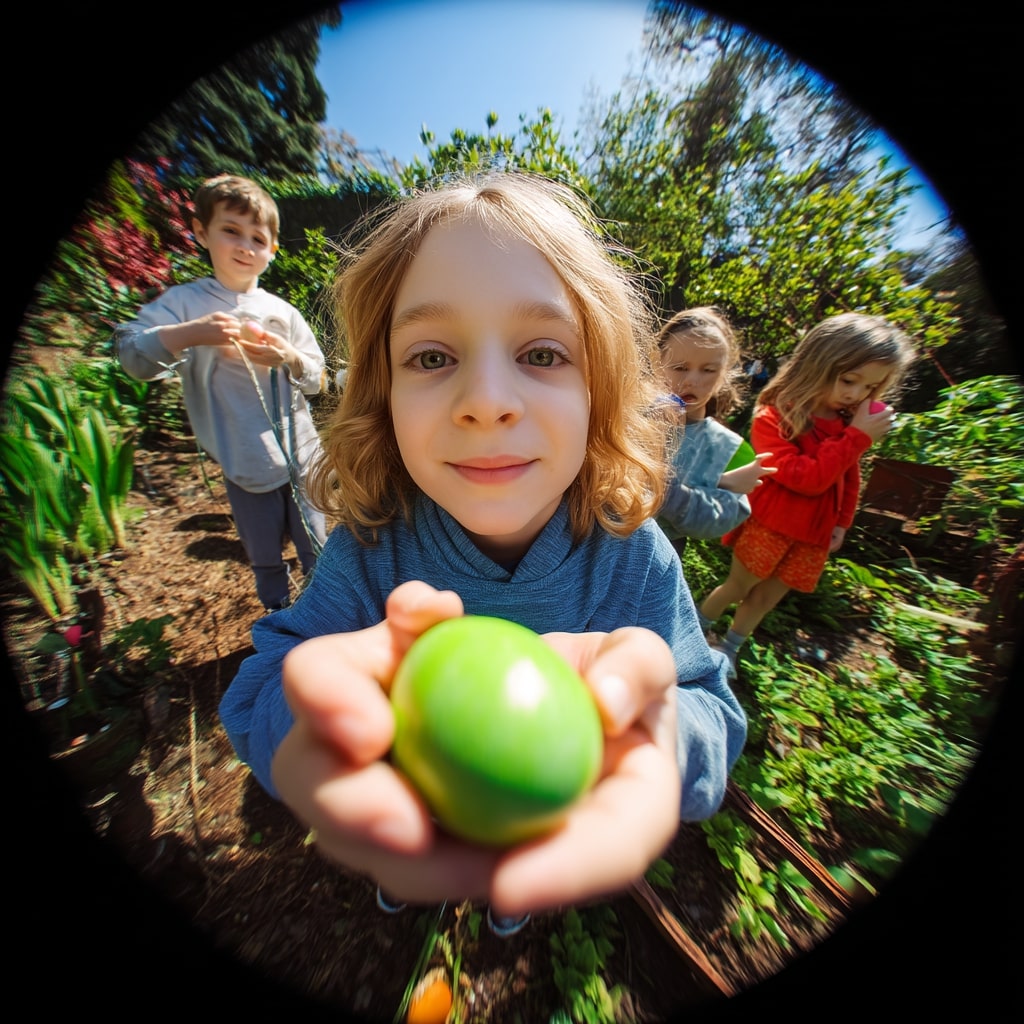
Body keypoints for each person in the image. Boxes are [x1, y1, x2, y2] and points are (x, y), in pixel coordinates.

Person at [218, 172, 747, 938]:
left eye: (541, 351)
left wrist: (660, 734)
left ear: (601, 389)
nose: (486, 399)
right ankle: (404, 876)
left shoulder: (630, 556)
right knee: (404, 855)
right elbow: (254, 695)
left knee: (517, 877)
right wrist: (312, 721)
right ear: (382, 395)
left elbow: (710, 709)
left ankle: (511, 895)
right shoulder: (375, 546)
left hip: (539, 820)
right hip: (410, 808)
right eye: (432, 358)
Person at [114, 174, 327, 612]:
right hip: (242, 461)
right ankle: (276, 615)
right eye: (231, 231)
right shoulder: (187, 305)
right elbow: (132, 355)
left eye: (258, 238)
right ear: (201, 233)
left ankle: (323, 611)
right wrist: (189, 334)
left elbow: (318, 379)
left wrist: (287, 356)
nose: (245, 246)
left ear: (272, 250)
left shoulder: (281, 312)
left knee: (317, 545)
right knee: (264, 555)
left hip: (302, 456)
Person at [696, 312, 915, 677]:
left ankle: (730, 648)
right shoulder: (776, 416)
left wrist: (842, 522)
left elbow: (849, 476)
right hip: (771, 526)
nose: (856, 394)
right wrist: (857, 437)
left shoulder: (847, 423)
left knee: (765, 599)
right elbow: (803, 478)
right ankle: (695, 628)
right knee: (738, 586)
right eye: (849, 380)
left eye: (869, 388)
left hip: (813, 534)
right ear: (817, 364)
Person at [655, 307, 776, 556]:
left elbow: (717, 520)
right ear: (657, 364)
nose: (692, 380)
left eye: (708, 370)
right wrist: (721, 483)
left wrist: (668, 492)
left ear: (723, 375)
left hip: (658, 554)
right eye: (679, 367)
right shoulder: (630, 417)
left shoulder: (727, 447)